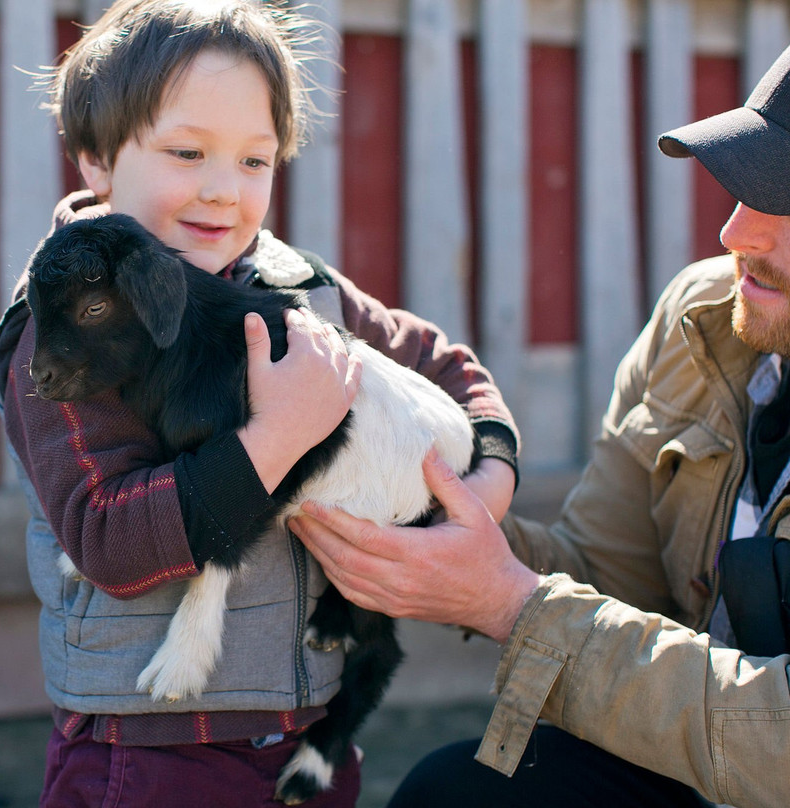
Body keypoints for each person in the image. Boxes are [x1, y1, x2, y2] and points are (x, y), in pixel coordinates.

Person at [0, 1, 520, 805]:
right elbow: (109, 538)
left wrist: (490, 478)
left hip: (309, 733)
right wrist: (278, 436)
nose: (222, 192)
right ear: (97, 159)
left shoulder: (300, 289)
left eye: (254, 161)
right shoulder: (66, 330)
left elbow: (444, 364)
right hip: (155, 751)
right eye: (188, 151)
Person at [291, 45, 790, 808]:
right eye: (747, 181)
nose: (735, 234)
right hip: (694, 779)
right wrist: (424, 503)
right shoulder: (705, 317)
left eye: (784, 202)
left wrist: (506, 602)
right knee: (454, 795)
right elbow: (611, 578)